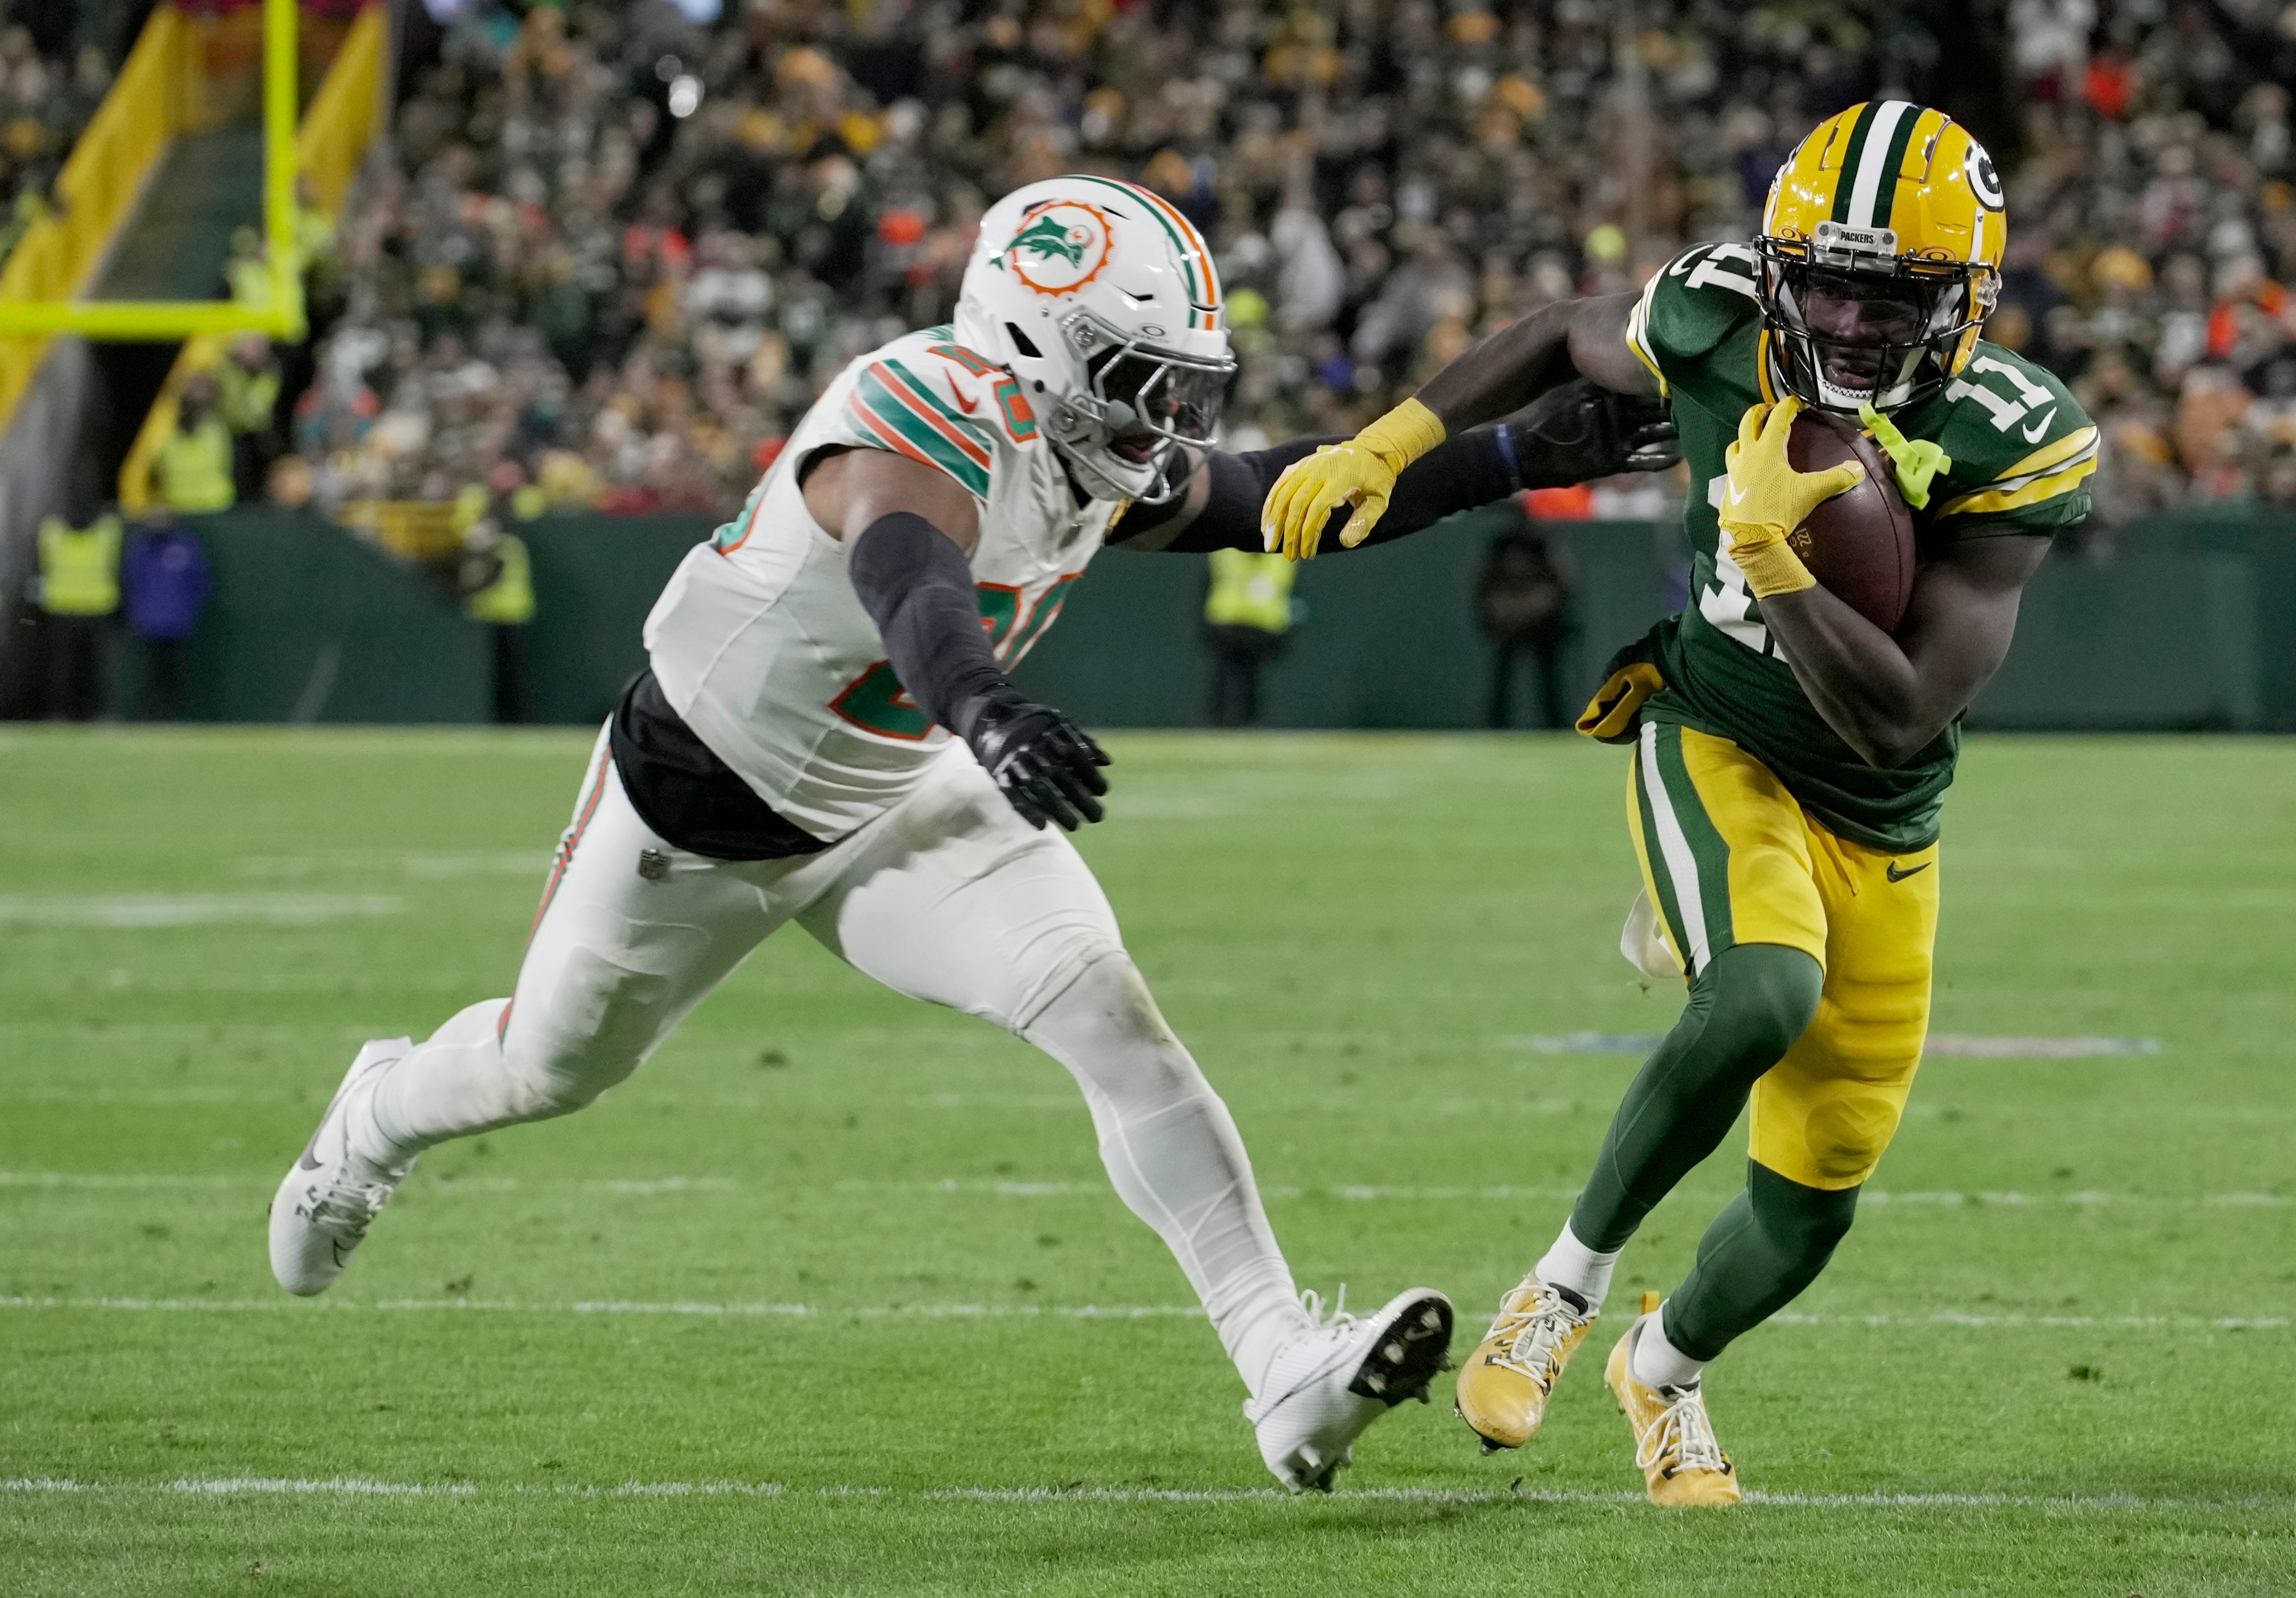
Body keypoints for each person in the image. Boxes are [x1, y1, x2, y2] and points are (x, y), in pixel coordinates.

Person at [268, 176, 1671, 1493]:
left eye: (1180, 380)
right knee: (545, 1065)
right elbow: (908, 570)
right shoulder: (921, 409)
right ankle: (373, 1115)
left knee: (1117, 1027)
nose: (1166, 412)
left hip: (905, 792)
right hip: (706, 807)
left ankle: (1284, 1368)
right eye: (1139, 379)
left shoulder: (1082, 438)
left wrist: (1507, 452)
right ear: (1032, 343)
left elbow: (1262, 499)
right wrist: (990, 706)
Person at [1262, 103, 2096, 1504]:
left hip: (1880, 804)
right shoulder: (1716, 313)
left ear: (1964, 301)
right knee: (1763, 988)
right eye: (1818, 278)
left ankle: (1660, 1368)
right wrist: (1384, 441)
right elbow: (1554, 327)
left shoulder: (2016, 438)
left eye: (1884, 293)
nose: (1840, 315)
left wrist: (1770, 546)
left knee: (1809, 1204)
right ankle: (1557, 1287)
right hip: (1712, 728)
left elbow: (1900, 715)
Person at [1475, 512, 1575, 729]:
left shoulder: (1544, 543)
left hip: (1543, 625)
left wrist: (1533, 610)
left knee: (1549, 682)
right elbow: (1486, 586)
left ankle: (1556, 728)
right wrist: (1505, 613)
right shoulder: (1500, 545)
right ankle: (1496, 727)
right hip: (1508, 625)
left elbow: (1561, 585)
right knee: (1502, 681)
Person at [35, 505, 121, 721]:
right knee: (66, 670)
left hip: (83, 611)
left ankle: (92, 713)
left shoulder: (55, 536)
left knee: (93, 669)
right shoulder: (103, 537)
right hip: (75, 611)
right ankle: (65, 712)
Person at [121, 516, 211, 720]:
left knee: (175, 675)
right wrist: (137, 613)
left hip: (178, 624)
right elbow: (131, 582)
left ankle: (173, 717)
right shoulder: (142, 548)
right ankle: (148, 718)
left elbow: (199, 582)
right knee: (149, 675)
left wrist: (190, 613)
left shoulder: (186, 546)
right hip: (149, 624)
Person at [1202, 548, 1293, 726]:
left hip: (1256, 625)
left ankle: (1242, 724)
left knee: (1247, 679)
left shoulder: (1283, 546)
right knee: (1228, 678)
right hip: (1233, 622)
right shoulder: (1228, 548)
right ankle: (1223, 723)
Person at [457, 519, 536, 724]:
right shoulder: (500, 548)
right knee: (498, 677)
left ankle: (519, 720)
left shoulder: (506, 547)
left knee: (513, 675)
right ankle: (504, 721)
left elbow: (491, 576)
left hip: (510, 617)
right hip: (492, 618)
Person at [215, 335, 283, 504]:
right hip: (227, 433)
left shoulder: (270, 372)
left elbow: (256, 412)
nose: (255, 351)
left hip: (255, 436)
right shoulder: (225, 368)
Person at [154, 374, 236, 514]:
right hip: (179, 510)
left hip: (216, 507)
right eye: (193, 390)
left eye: (203, 390)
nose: (198, 396)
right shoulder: (165, 432)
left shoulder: (220, 428)